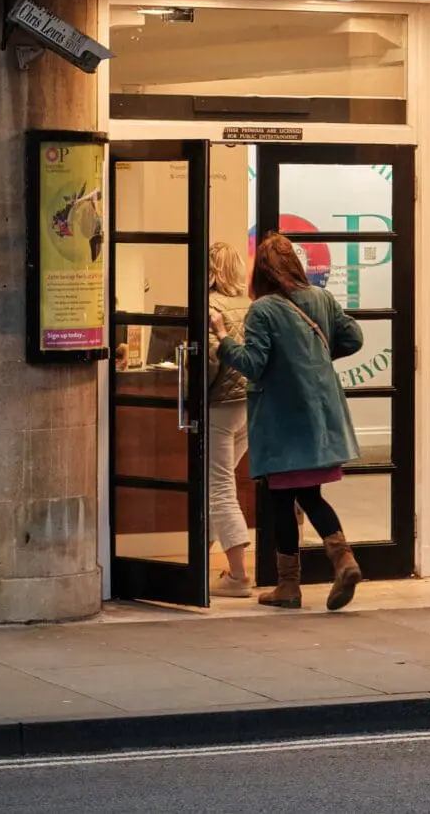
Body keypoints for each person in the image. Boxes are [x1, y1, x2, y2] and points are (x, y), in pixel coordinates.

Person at [210, 233, 363, 610]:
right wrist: (313, 360)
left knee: (282, 499)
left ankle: (290, 586)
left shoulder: (263, 309)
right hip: (320, 413)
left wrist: (223, 337)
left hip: (282, 419)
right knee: (309, 494)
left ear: (262, 271)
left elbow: (252, 364)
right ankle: (341, 561)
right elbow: (354, 338)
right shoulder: (321, 297)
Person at [202, 240, 256, 597]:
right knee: (213, 485)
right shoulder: (250, 306)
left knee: (219, 488)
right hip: (248, 406)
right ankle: (198, 560)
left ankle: (238, 576)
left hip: (220, 406)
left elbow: (209, 362)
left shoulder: (209, 308)